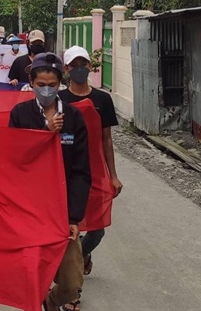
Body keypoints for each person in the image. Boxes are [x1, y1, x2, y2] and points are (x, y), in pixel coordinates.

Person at [9, 52, 91, 311]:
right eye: (40, 84)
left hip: (62, 212)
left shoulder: (74, 118)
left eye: (52, 85)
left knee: (71, 283)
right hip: (29, 210)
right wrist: (45, 133)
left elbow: (81, 171)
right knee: (30, 279)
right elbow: (15, 158)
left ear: (60, 83)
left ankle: (51, 301)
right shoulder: (20, 114)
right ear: (31, 82)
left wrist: (74, 218)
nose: (46, 90)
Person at [58, 46, 123, 285]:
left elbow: (106, 138)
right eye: (74, 65)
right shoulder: (59, 100)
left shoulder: (102, 99)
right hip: (68, 171)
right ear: (66, 69)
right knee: (70, 225)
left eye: (83, 64)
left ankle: (84, 253)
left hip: (96, 171)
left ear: (90, 67)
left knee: (98, 227)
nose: (79, 69)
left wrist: (113, 175)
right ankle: (71, 279)